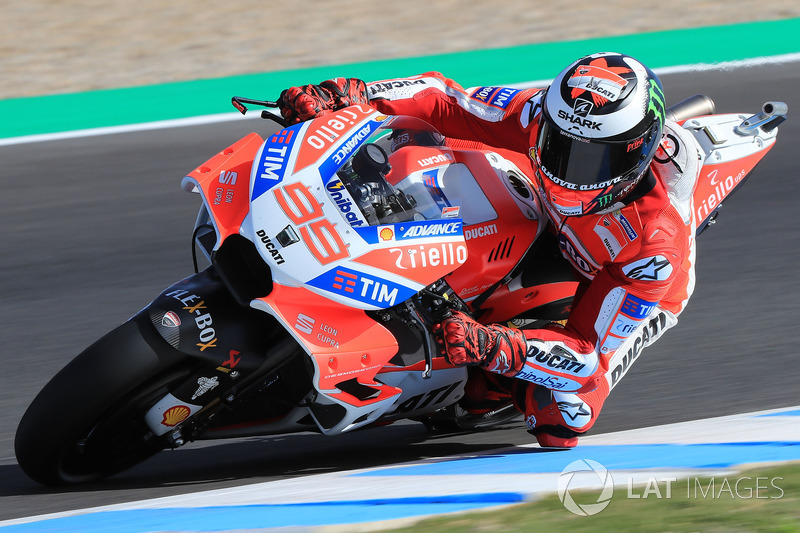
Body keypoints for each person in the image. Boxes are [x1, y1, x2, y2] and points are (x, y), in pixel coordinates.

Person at [276, 52, 702, 448]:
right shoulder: (543, 113)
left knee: (566, 414)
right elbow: (444, 98)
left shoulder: (653, 248)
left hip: (610, 280)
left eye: (591, 161)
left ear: (636, 154)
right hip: (542, 212)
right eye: (559, 146)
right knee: (420, 148)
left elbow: (587, 354)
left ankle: (483, 390)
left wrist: (495, 347)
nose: (568, 171)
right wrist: (351, 95)